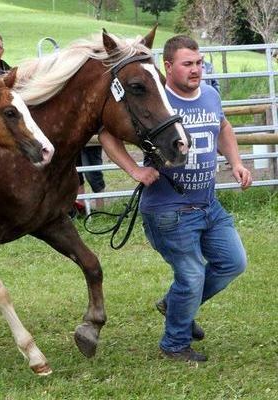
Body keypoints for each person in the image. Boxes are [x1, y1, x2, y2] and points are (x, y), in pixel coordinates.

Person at [99, 35, 252, 362]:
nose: (196, 70)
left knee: (233, 262)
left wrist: (236, 162)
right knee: (192, 274)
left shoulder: (210, 94)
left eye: (198, 63)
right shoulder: (154, 99)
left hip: (209, 204)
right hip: (169, 209)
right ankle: (175, 343)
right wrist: (135, 172)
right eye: (188, 64)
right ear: (168, 66)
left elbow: (222, 126)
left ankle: (176, 304)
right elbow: (107, 134)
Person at [74, 145, 105, 214]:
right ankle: (81, 211)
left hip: (89, 140)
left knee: (93, 175)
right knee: (76, 175)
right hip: (72, 140)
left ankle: (100, 212)